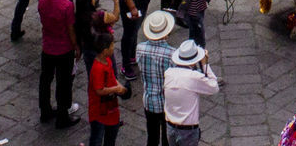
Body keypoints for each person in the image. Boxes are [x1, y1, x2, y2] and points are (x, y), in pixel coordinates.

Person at [38, 0, 81, 129]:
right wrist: (76, 46)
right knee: (63, 84)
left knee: (45, 80)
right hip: (63, 49)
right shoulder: (67, 5)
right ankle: (63, 116)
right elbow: (70, 29)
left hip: (47, 47)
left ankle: (45, 110)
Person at [162, 40, 219, 146]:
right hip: (188, 130)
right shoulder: (194, 77)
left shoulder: (168, 73)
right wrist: (205, 64)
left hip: (170, 126)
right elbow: (214, 87)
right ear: (194, 60)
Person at [136, 10, 177, 146]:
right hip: (166, 103)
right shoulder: (172, 53)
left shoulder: (140, 48)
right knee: (167, 138)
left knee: (152, 137)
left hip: (149, 101)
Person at [87, 29, 130, 146]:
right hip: (99, 110)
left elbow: (112, 78)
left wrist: (119, 86)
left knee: (112, 133)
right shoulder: (98, 68)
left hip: (109, 107)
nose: (113, 48)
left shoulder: (107, 61)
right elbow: (99, 90)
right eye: (112, 46)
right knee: (97, 137)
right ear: (105, 50)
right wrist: (116, 89)